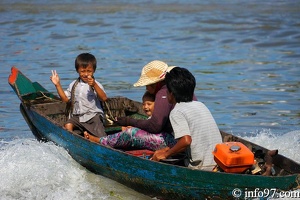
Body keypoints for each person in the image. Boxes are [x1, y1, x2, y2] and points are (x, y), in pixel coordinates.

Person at [150, 67, 222, 171]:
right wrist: (167, 150)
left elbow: (186, 141)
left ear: (171, 94)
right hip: (218, 162)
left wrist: (165, 154)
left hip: (200, 167)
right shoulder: (200, 105)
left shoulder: (177, 111)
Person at [84, 91, 176, 151]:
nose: (145, 107)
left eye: (149, 104)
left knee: (131, 133)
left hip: (169, 142)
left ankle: (100, 141)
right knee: (132, 130)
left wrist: (134, 127)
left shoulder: (160, 114)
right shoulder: (158, 113)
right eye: (144, 104)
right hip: (166, 140)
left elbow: (155, 129)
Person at [50, 53, 108, 138]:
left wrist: (94, 85)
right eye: (82, 71)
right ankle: (71, 139)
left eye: (89, 71)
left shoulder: (96, 84)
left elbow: (104, 98)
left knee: (101, 136)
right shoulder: (74, 85)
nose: (85, 74)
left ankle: (101, 142)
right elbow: (65, 99)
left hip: (93, 116)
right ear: (77, 70)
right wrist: (57, 85)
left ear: (94, 71)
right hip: (78, 117)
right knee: (68, 124)